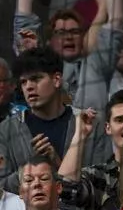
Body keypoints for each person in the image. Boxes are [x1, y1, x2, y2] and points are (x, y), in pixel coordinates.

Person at [0, 48, 112, 194]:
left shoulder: (89, 124)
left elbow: (103, 184)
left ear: (57, 80)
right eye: (23, 82)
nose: (28, 86)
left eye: (36, 79)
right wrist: (32, 167)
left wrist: (57, 162)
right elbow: (2, 188)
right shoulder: (6, 130)